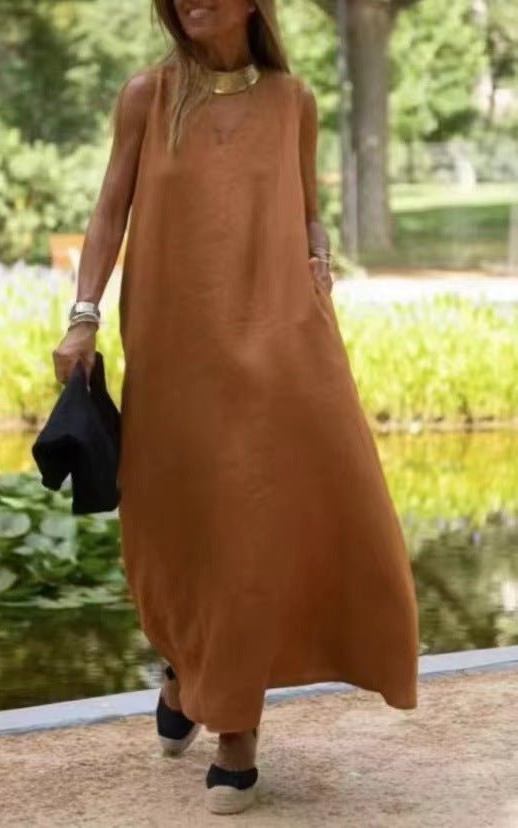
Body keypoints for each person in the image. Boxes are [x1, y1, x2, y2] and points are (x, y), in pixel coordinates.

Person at [52, 0, 419, 816]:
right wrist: (83, 317)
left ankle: (236, 730)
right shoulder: (146, 96)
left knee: (259, 528)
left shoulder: (294, 102)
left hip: (278, 350)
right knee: (177, 529)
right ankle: (186, 671)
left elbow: (306, 208)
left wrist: (318, 254)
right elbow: (109, 213)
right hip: (174, 356)